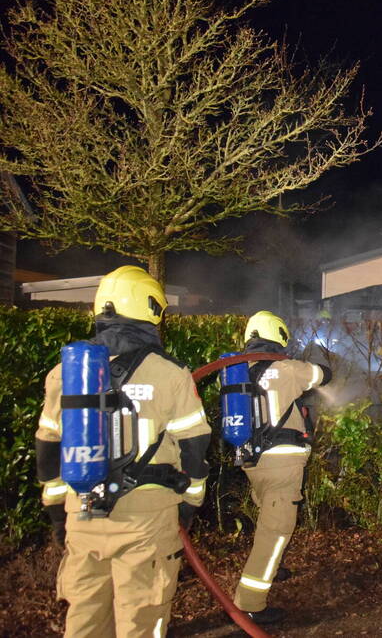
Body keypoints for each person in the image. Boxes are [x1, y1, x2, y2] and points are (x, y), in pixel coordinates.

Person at [35, 265, 211, 638]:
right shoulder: (169, 373)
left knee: (84, 618)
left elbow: (47, 446)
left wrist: (56, 515)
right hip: (146, 518)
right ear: (149, 309)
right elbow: (195, 446)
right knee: (141, 619)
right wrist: (191, 501)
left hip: (81, 512)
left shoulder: (63, 373)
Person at [229, 310, 331, 625]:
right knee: (275, 530)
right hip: (282, 463)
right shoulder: (285, 369)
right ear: (279, 336)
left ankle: (276, 566)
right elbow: (322, 375)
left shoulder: (237, 370)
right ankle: (250, 604)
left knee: (270, 519)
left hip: (253, 462)